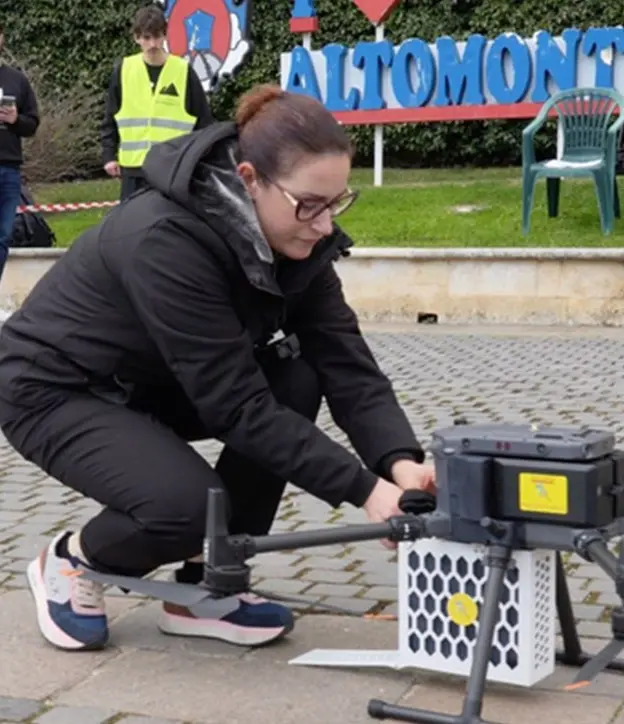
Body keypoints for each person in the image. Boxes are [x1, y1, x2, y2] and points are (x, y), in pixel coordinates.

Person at [0, 82, 435, 653]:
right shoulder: (164, 240)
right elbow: (235, 408)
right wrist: (362, 490)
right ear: (250, 179)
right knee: (186, 507)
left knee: (298, 376)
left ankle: (207, 586)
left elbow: (347, 363)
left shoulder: (296, 240)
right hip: (51, 388)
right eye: (310, 204)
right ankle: (73, 560)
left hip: (150, 378)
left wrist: (399, 463)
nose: (325, 224)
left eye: (337, 203)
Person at [100, 4, 214, 201]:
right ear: (136, 38)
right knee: (131, 227)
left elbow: (203, 121)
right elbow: (111, 116)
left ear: (165, 35)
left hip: (171, 168)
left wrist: (200, 160)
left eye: (157, 36)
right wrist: (109, 155)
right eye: (146, 38)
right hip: (133, 169)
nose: (153, 44)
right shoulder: (124, 70)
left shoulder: (183, 71)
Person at [0, 22, 39, 282]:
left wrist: (15, 119)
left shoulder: (17, 80)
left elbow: (32, 124)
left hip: (8, 168)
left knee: (2, 237)